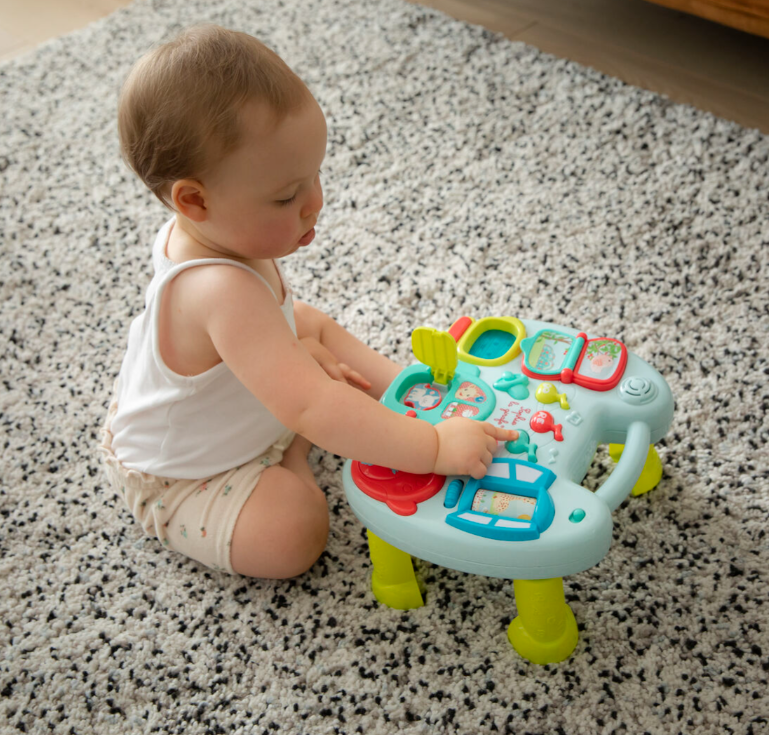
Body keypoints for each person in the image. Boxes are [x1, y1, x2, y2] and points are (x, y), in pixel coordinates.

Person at [99, 25, 516, 580]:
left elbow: (285, 333)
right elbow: (313, 406)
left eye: (314, 176)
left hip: (230, 400)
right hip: (184, 474)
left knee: (309, 326)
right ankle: (294, 450)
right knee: (292, 530)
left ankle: (405, 389)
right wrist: (433, 448)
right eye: (286, 196)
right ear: (194, 200)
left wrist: (312, 370)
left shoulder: (214, 232)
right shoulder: (218, 289)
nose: (314, 202)